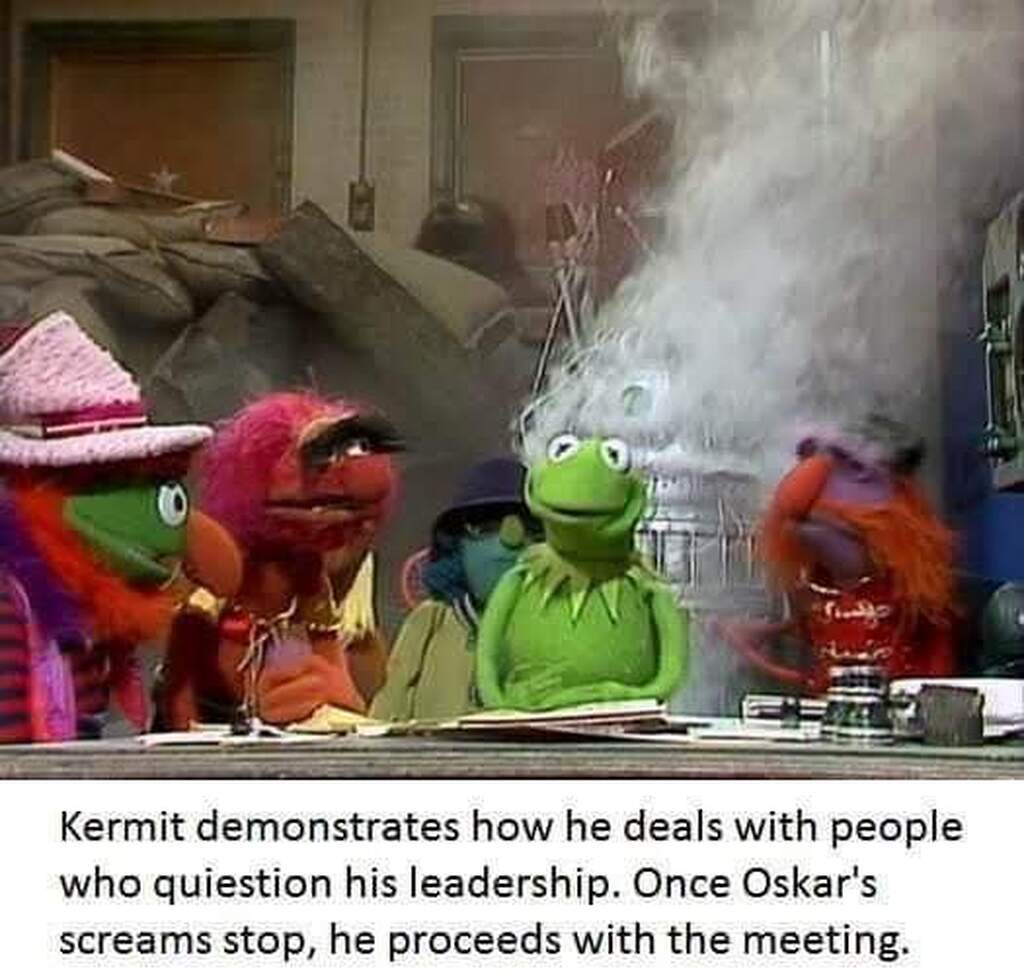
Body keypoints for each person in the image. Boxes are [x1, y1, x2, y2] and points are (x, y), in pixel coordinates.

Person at [371, 457, 540, 722]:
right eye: (483, 526)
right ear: (456, 544)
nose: (507, 541)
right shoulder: (431, 621)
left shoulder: (561, 625)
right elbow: (386, 713)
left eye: (530, 526)